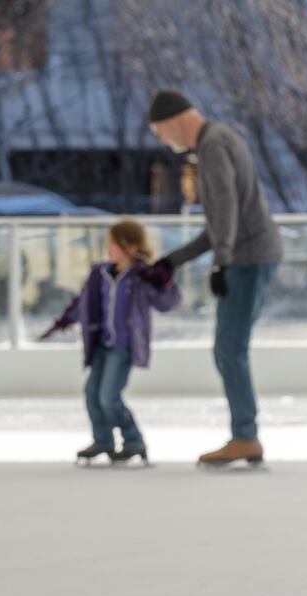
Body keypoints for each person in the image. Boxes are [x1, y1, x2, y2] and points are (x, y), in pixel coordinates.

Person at [146, 89, 283, 467]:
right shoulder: (217, 140)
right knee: (228, 348)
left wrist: (222, 263)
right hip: (248, 254)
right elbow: (220, 221)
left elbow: (225, 212)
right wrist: (174, 260)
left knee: (229, 349)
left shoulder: (213, 146)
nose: (163, 139)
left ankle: (245, 436)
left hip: (248, 257)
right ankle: (244, 434)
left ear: (174, 120)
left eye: (160, 131)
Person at [40, 219, 182, 465]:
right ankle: (103, 440)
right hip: (101, 344)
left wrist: (165, 282)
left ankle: (134, 440)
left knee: (109, 396)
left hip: (123, 346)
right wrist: (63, 321)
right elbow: (83, 302)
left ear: (130, 245)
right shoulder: (100, 274)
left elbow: (166, 304)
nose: (109, 249)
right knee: (92, 393)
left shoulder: (141, 276)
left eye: (113, 244)